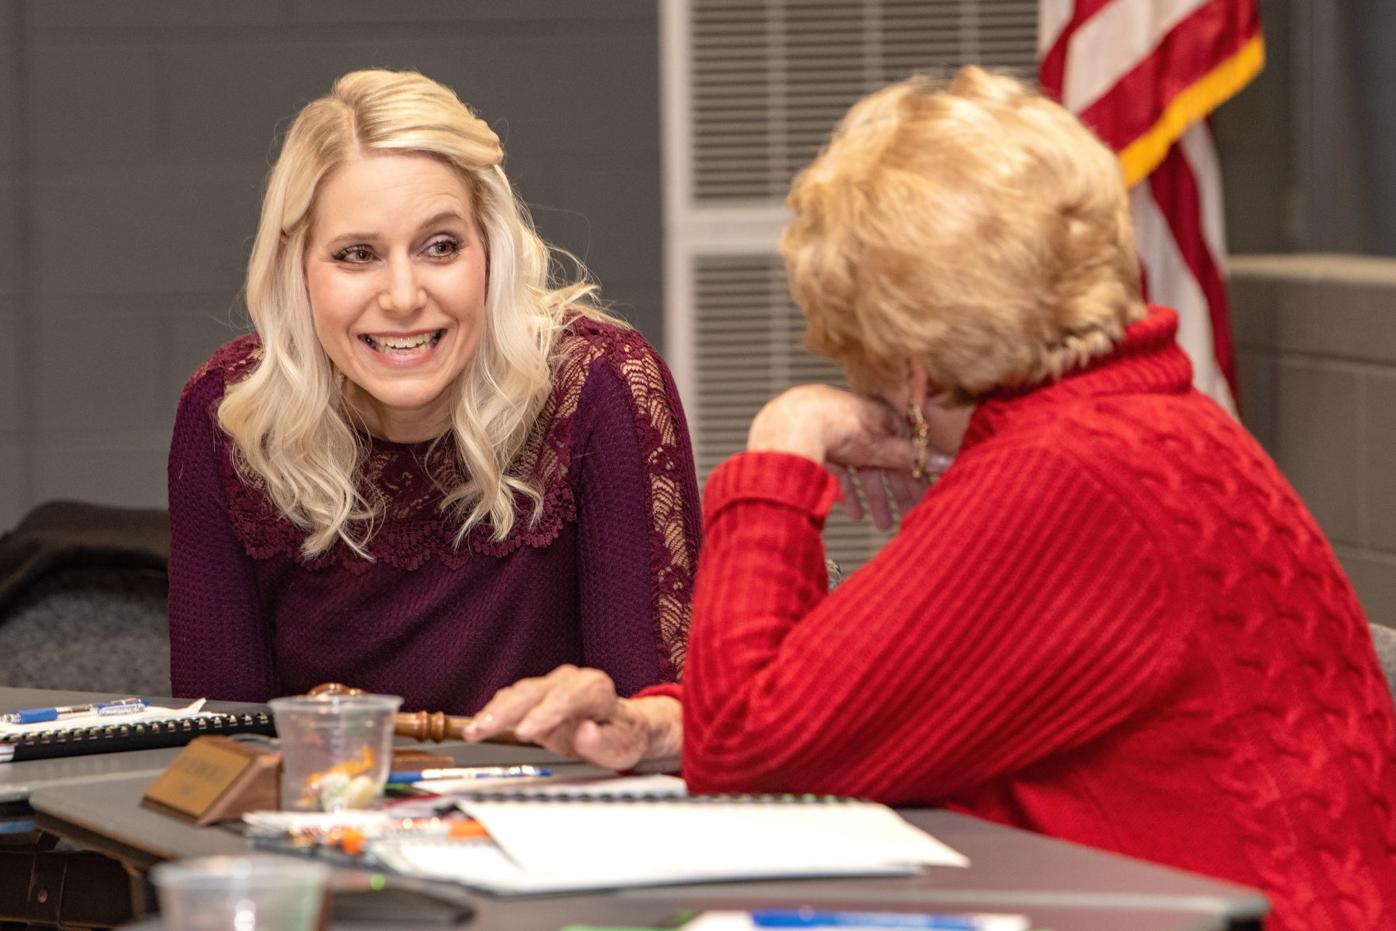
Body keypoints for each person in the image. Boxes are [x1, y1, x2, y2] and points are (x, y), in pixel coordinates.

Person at [468, 67, 1396, 930]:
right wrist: (658, 725)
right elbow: (853, 694)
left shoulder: (1061, 474)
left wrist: (785, 442)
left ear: (909, 361)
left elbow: (757, 748)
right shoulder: (1148, 425)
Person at [167, 70, 701, 714]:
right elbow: (218, 743)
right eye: (356, 254)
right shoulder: (231, 415)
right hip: (330, 811)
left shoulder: (600, 386)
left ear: (492, 251)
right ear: (294, 266)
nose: (401, 297)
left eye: (440, 247)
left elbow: (661, 726)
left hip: (551, 810)